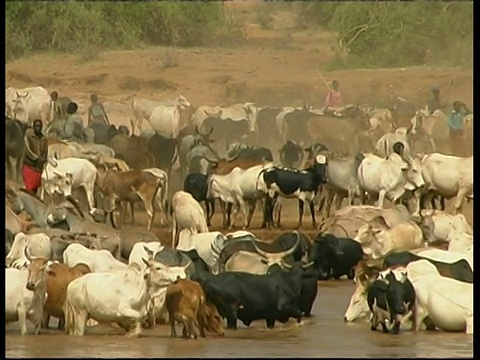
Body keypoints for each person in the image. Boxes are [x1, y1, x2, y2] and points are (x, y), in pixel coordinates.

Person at [22, 119, 48, 194]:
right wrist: (36, 158)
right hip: (29, 166)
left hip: (38, 168)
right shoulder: (28, 137)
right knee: (29, 189)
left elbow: (45, 151)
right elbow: (27, 150)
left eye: (39, 126)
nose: (38, 128)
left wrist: (43, 159)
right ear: (33, 127)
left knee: (35, 189)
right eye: (36, 126)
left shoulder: (44, 139)